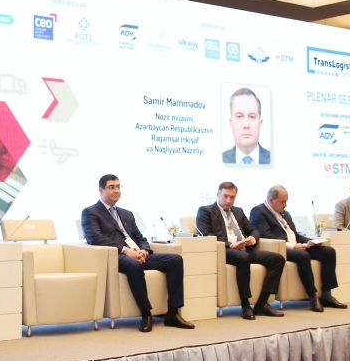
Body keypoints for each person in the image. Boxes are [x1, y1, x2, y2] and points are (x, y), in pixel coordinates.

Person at [81, 174, 194, 333]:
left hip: (137, 253)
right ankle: (146, 314)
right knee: (134, 265)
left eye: (118, 187)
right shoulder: (90, 212)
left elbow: (140, 237)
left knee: (175, 259)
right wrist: (125, 250)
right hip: (116, 256)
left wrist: (144, 251)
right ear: (101, 190)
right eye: (111, 187)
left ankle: (173, 314)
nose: (116, 190)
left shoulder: (127, 213)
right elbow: (95, 237)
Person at [250, 185, 347, 313]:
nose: (285, 205)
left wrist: (311, 242)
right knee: (303, 256)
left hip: (295, 246)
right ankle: (312, 297)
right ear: (271, 200)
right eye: (282, 201)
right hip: (279, 249)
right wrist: (293, 246)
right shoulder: (258, 211)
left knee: (329, 252)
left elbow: (296, 235)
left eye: (286, 201)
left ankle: (326, 295)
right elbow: (267, 236)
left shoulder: (285, 213)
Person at [197, 182, 285, 319]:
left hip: (244, 249)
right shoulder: (205, 211)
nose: (228, 200)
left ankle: (262, 303)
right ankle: (245, 305)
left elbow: (253, 230)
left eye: (232, 197)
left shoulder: (238, 211)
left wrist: (253, 238)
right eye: (225, 196)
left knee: (277, 259)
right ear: (218, 194)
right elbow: (206, 235)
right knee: (243, 257)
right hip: (224, 250)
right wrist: (230, 245)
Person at [222, 87, 270, 165]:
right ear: (231, 124)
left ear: (260, 124)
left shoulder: (276, 159)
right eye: (239, 116)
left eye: (252, 117)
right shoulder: (218, 161)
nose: (246, 125)